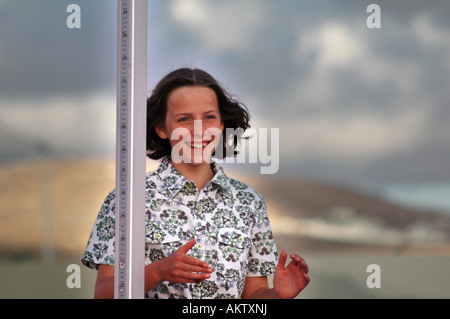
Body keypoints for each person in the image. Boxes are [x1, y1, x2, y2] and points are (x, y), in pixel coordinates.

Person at [81, 68, 310, 299]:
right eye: (184, 119)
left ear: (221, 125)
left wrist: (278, 295)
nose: (198, 130)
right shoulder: (126, 200)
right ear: (161, 128)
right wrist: (158, 271)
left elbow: (253, 296)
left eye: (209, 117)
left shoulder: (250, 203)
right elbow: (103, 294)